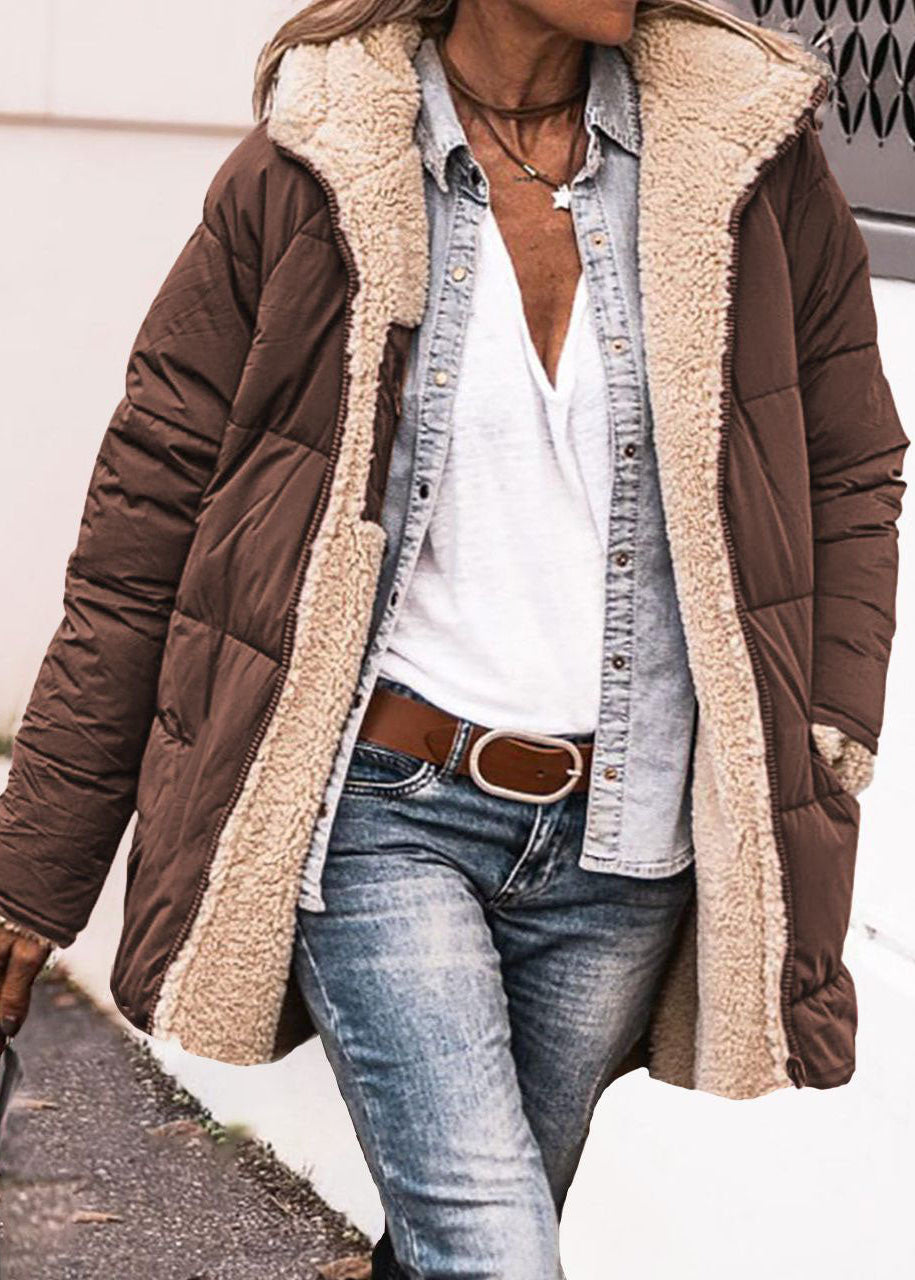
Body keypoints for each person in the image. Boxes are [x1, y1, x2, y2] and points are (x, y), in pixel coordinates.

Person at [0, 1, 908, 1275]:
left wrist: (831, 720)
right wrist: (34, 865)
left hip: (624, 836)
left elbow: (854, 462)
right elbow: (144, 523)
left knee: (457, 1240)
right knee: (494, 1250)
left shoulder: (745, 158)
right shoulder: (315, 165)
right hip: (383, 812)